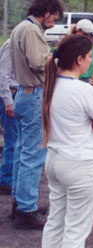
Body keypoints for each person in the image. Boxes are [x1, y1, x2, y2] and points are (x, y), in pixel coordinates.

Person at [41, 34, 93, 248]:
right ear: (79, 59)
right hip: (80, 164)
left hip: (54, 160)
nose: (92, 61)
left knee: (55, 223)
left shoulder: (51, 86)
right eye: (89, 56)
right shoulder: (84, 90)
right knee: (75, 231)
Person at [10, 0, 64, 229]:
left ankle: (20, 202)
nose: (53, 23)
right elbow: (39, 62)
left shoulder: (21, 27)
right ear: (47, 12)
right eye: (54, 18)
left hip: (24, 94)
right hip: (34, 97)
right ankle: (26, 211)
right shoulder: (31, 30)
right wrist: (62, 59)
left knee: (22, 152)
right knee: (33, 157)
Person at [0, 40, 18, 195]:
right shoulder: (11, 45)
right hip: (11, 95)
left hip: (19, 94)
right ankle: (6, 181)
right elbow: (3, 74)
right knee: (12, 141)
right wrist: (8, 101)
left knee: (17, 140)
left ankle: (12, 178)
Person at [70, 19, 93, 87]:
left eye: (90, 35)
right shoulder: (70, 46)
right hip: (75, 82)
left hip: (88, 82)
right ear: (77, 31)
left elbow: (92, 69)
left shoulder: (91, 48)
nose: (88, 37)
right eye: (85, 34)